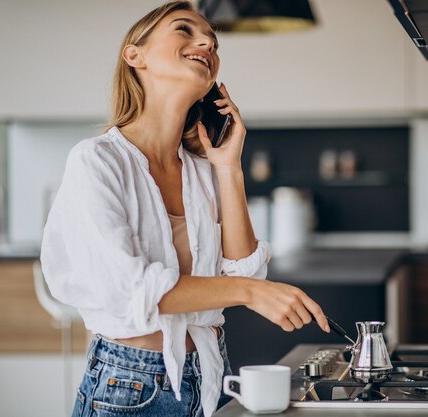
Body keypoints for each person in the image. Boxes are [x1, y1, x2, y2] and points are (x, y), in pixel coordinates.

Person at [39, 2, 330, 416]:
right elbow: (134, 289)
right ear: (134, 55)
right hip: (129, 387)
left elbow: (245, 270)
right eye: (184, 29)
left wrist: (229, 167)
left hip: (209, 377)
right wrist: (251, 293)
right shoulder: (97, 161)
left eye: (213, 39)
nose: (208, 41)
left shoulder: (202, 172)